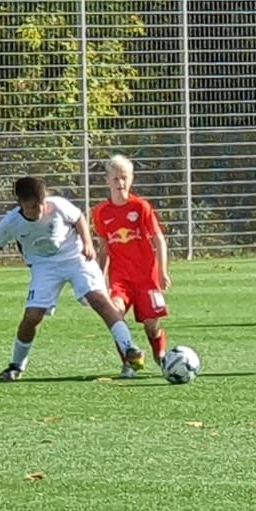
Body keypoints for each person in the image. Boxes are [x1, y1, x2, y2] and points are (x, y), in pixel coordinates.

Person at [0, 177, 145, 381]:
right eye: (32, 207)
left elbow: (79, 218)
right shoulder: (10, 223)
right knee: (32, 316)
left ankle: (130, 349)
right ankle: (16, 366)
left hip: (76, 258)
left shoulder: (58, 206)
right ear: (21, 204)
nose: (39, 210)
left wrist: (88, 243)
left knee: (99, 299)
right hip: (44, 267)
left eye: (41, 204)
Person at [92, 155, 172, 378]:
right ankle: (129, 362)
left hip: (147, 277)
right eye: (115, 178)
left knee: (151, 325)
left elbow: (159, 239)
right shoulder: (100, 212)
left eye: (124, 177)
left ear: (131, 179)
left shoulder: (141, 207)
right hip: (120, 279)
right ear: (107, 180)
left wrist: (163, 271)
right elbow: (104, 248)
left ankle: (160, 356)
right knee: (115, 313)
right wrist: (98, 278)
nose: (120, 183)